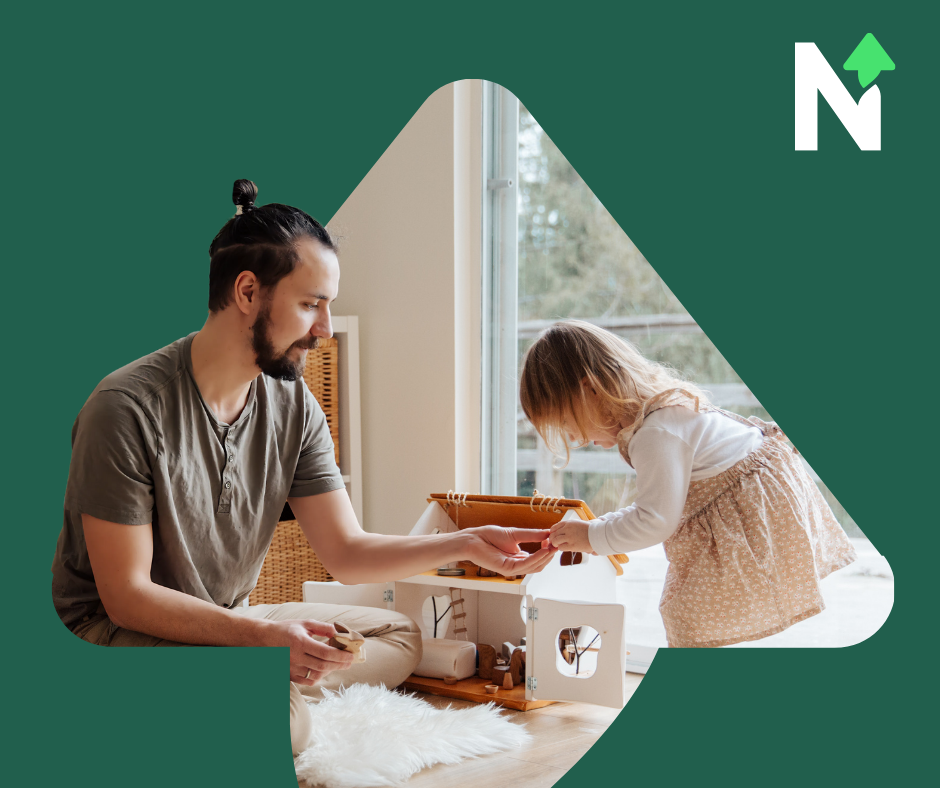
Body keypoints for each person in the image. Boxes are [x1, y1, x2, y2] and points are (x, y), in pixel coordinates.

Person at [51, 180, 556, 755]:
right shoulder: (125, 408)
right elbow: (127, 597)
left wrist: (465, 543)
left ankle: (263, 681)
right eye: (311, 303)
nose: (326, 328)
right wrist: (264, 640)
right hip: (116, 634)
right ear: (247, 291)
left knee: (396, 636)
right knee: (288, 728)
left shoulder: (292, 405)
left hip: (226, 618)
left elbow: (346, 552)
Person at [520, 320, 856, 648]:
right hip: (762, 494)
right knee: (695, 614)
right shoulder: (661, 414)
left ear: (590, 390)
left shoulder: (655, 433)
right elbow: (655, 506)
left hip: (753, 513)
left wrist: (593, 536)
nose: (575, 438)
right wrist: (600, 526)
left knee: (686, 616)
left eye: (567, 423)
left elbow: (654, 521)